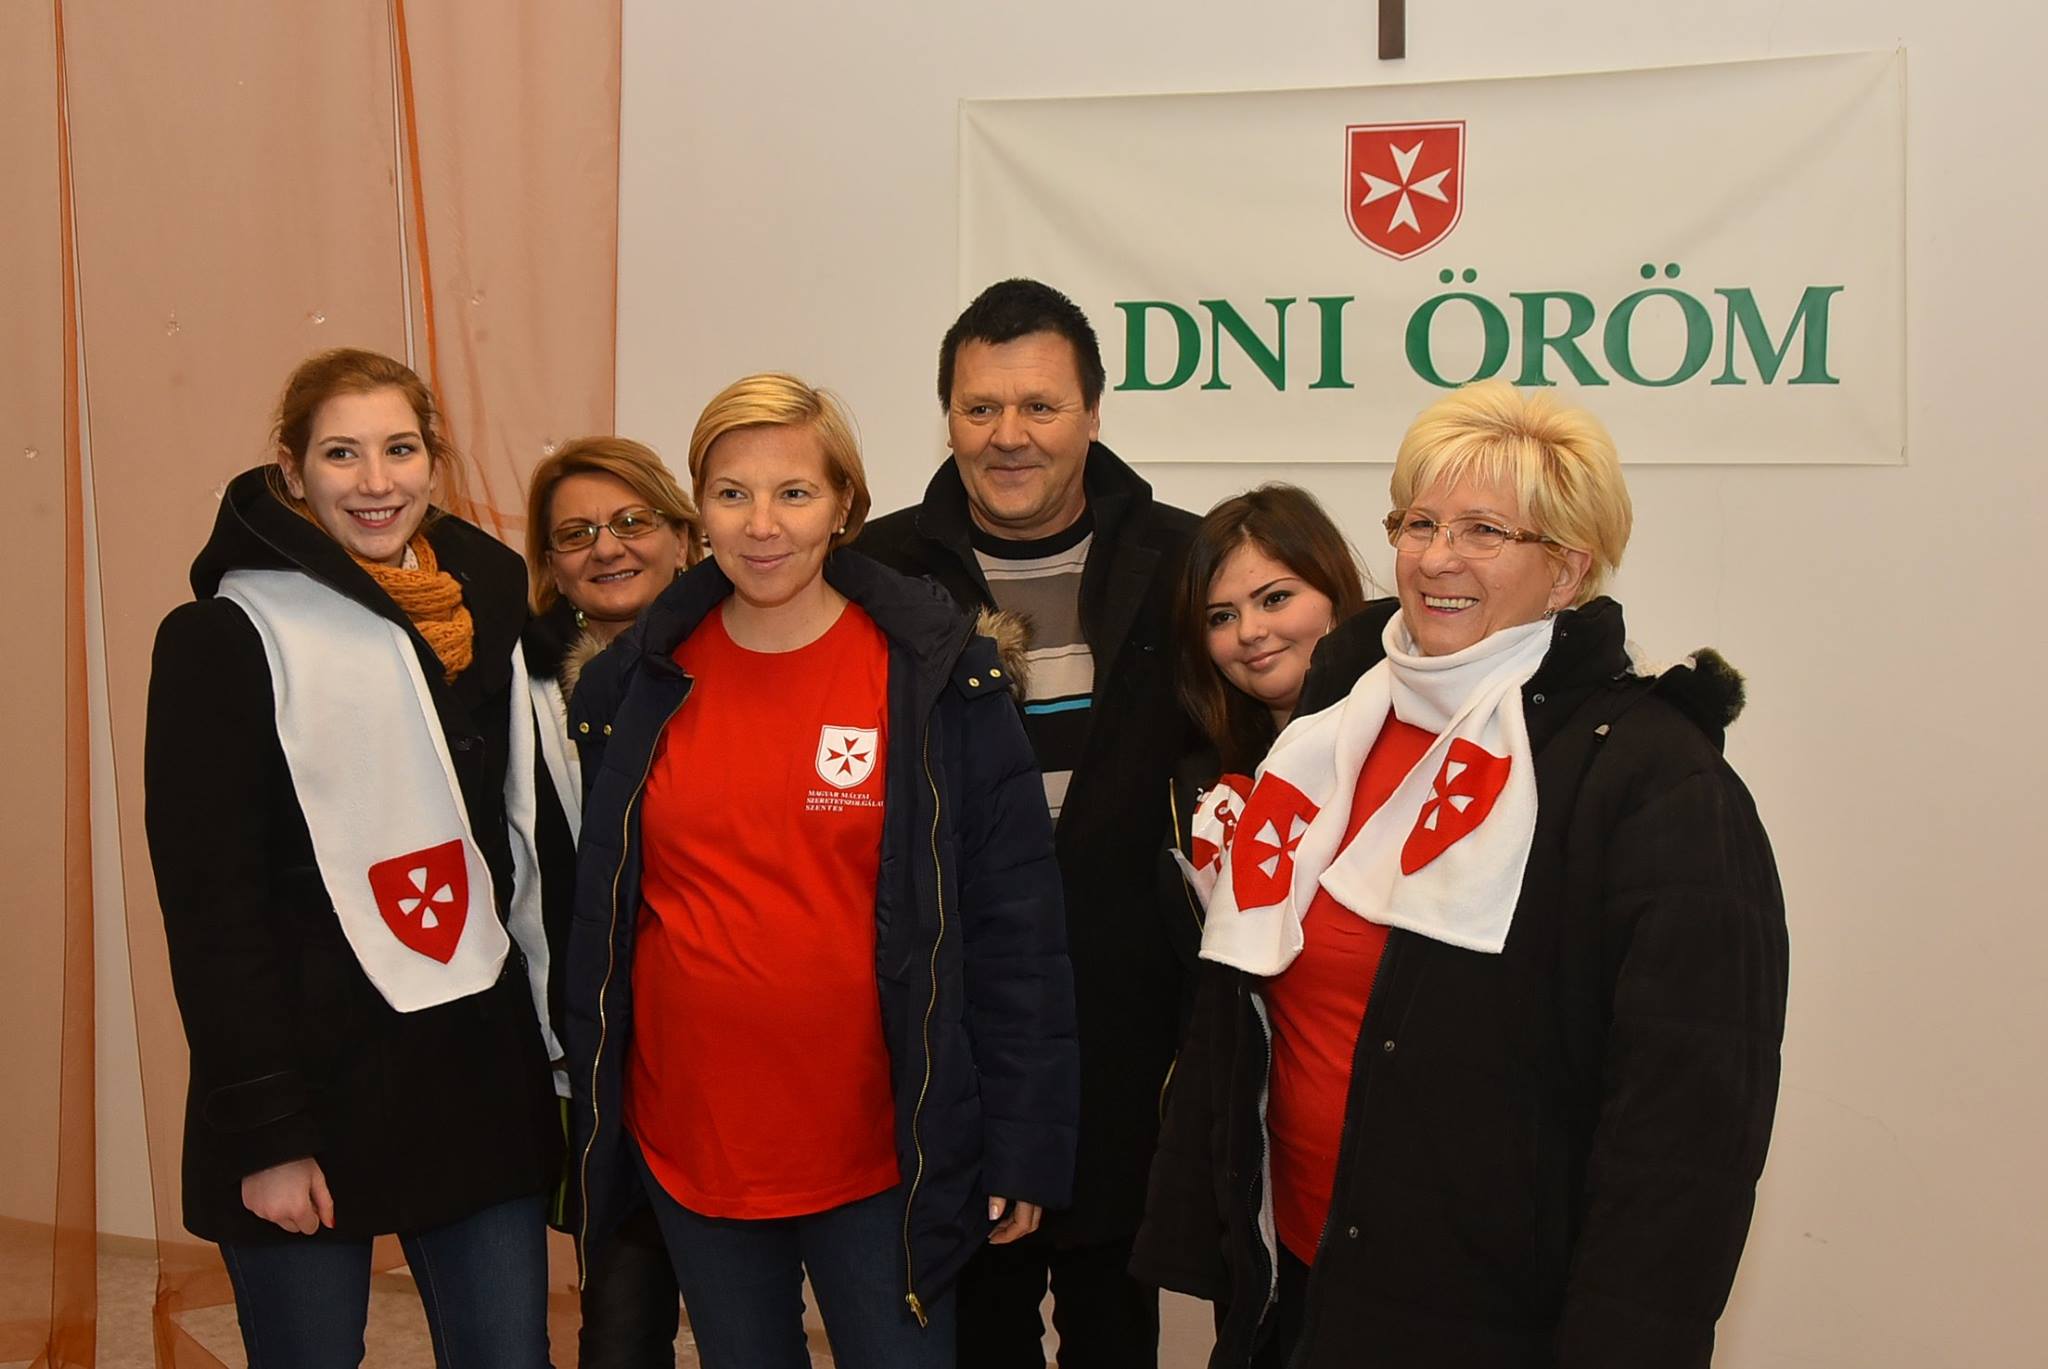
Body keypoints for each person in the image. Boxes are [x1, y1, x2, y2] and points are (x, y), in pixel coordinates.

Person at [1132, 379, 1789, 1368]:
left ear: (1566, 569)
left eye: (1485, 530)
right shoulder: (1330, 731)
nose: (1437, 557)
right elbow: (1246, 1002)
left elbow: (1684, 1133)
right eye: (1419, 522)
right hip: (1296, 1283)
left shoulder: (1653, 779)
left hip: (1491, 1323)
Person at [564, 372, 1078, 1369]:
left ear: (844, 504)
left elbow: (1016, 925)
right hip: (693, 1142)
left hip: (884, 1154)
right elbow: (603, 920)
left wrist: (1022, 1141)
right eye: (732, 493)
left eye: (793, 492)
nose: (762, 525)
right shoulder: (636, 683)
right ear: (699, 510)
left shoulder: (936, 675)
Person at [143, 348, 562, 1368]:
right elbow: (212, 910)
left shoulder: (489, 609)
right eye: (341, 453)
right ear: (290, 470)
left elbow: (516, 842)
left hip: (469, 1061)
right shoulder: (222, 639)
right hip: (308, 1081)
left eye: (400, 449)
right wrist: (267, 1133)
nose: (377, 482)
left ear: (434, 460)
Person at [857, 276, 1200, 1369]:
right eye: (980, 407)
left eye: (1040, 406)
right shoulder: (875, 574)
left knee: (1114, 1328)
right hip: (957, 1030)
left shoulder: (1188, 563)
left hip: (1128, 1026)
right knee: (974, 1330)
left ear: (1092, 413)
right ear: (948, 417)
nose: (1009, 435)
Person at [520, 436, 695, 1368]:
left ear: (684, 537)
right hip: (608, 1064)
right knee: (621, 1332)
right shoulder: (521, 693)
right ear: (550, 568)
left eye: (632, 520)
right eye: (575, 533)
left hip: (738, 1046)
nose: (607, 547)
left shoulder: (748, 657)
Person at [1160, 485, 1368, 990]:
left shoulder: (1406, 754)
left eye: (1274, 599)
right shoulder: (1198, 786)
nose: (1249, 631)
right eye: (1222, 617)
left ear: (1334, 593)